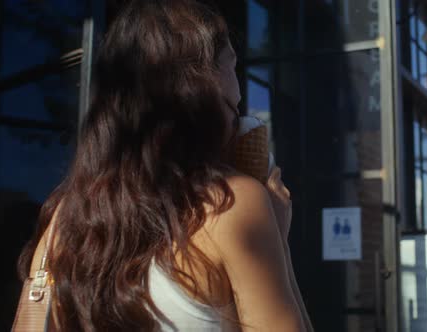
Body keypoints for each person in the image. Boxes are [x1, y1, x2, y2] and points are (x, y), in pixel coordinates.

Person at [17, 1, 313, 331]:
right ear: (203, 82)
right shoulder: (231, 203)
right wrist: (279, 248)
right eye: (230, 64)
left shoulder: (65, 217)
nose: (240, 93)